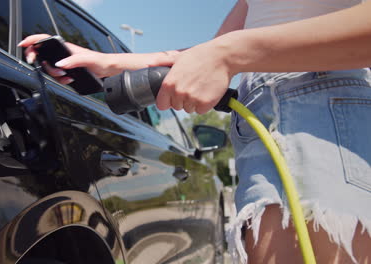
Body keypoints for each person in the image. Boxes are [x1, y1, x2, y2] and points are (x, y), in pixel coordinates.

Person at [19, 0, 371, 263]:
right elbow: (206, 52)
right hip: (262, 116)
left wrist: (230, 54)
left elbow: (225, 50)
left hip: (321, 106)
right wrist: (109, 63)